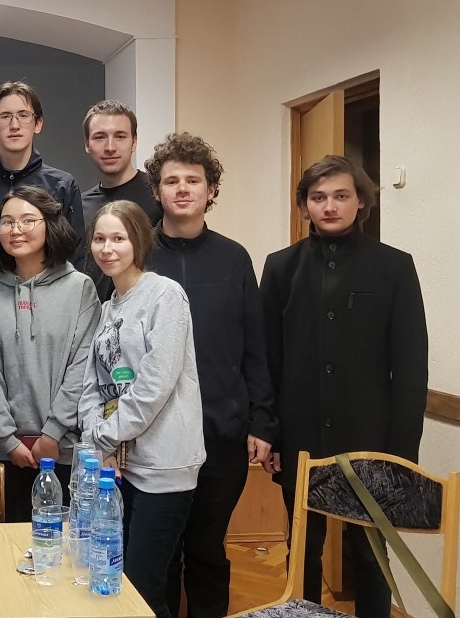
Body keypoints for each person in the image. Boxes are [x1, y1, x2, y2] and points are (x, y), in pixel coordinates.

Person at [260, 155, 428, 617]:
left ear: (361, 203)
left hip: (371, 440)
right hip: (299, 437)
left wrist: (401, 456)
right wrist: (270, 432)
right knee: (302, 550)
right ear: (304, 206)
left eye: (341, 196)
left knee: (370, 556)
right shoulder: (280, 267)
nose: (329, 206)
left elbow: (411, 368)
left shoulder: (394, 267)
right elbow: (267, 359)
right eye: (318, 197)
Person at [142, 133, 278, 618]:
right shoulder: (137, 255)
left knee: (206, 549)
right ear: (156, 191)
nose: (182, 189)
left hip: (221, 432)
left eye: (193, 180)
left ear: (211, 190)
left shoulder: (234, 258)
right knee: (159, 555)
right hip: (152, 435)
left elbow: (255, 346)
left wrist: (262, 421)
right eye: (171, 181)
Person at [79, 200, 205, 618]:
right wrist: (96, 434)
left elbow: (154, 385)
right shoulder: (107, 306)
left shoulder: (165, 295)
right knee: (121, 584)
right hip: (120, 466)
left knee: (143, 590)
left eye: (118, 238)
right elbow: (92, 384)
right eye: (100, 238)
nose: (107, 248)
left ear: (138, 241)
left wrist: (105, 435)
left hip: (164, 465)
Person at [0, 185, 99, 522]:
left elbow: (82, 366)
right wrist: (7, 438)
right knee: (9, 547)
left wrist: (52, 432)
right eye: (6, 222)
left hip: (64, 450)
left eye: (27, 220)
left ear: (50, 224)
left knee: (66, 545)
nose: (16, 230)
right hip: (7, 453)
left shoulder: (80, 288)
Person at [0, 81, 83, 262]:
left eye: (24, 115)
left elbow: (74, 257)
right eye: (5, 116)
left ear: (38, 124)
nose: (15, 125)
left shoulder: (62, 186)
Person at [79, 100, 163, 300]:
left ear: (134, 142)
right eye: (100, 137)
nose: (110, 147)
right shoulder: (80, 206)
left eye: (120, 136)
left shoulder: (158, 196)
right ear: (87, 144)